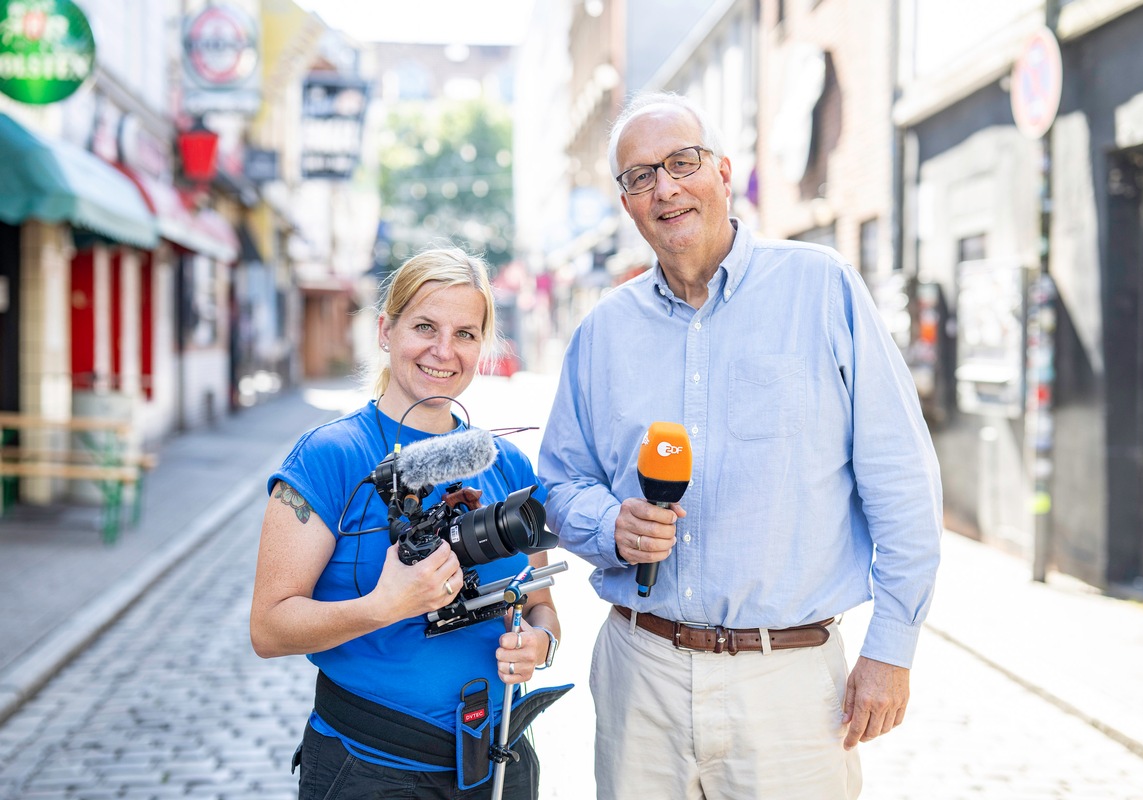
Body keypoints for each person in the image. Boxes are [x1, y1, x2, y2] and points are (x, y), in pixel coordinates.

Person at [538, 91, 942, 800]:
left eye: (681, 162)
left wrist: (891, 648)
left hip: (788, 684)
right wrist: (611, 526)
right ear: (626, 203)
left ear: (723, 170)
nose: (664, 187)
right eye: (639, 176)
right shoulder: (602, 333)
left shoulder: (822, 289)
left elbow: (902, 480)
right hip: (642, 674)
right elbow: (560, 483)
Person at [251, 246, 562, 799]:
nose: (445, 351)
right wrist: (387, 605)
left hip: (498, 761)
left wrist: (540, 641)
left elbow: (539, 602)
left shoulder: (505, 463)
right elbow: (269, 628)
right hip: (373, 768)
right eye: (424, 326)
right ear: (385, 331)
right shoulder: (331, 456)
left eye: (466, 334)